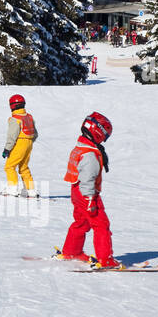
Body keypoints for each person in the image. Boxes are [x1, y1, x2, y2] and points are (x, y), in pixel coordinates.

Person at [59, 112, 119, 268]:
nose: (104, 140)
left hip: (76, 191)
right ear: (98, 132)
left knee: (81, 222)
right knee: (101, 225)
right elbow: (88, 178)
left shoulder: (80, 147)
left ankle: (72, 251)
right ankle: (105, 259)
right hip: (87, 194)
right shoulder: (90, 154)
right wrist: (91, 199)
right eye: (105, 136)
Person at [2, 94, 37, 197]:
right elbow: (34, 133)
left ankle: (12, 189)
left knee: (9, 166)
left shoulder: (15, 119)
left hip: (19, 143)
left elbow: (12, 136)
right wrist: (29, 142)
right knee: (24, 167)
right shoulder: (29, 117)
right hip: (29, 143)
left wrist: (7, 149)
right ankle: (31, 190)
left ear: (12, 106)